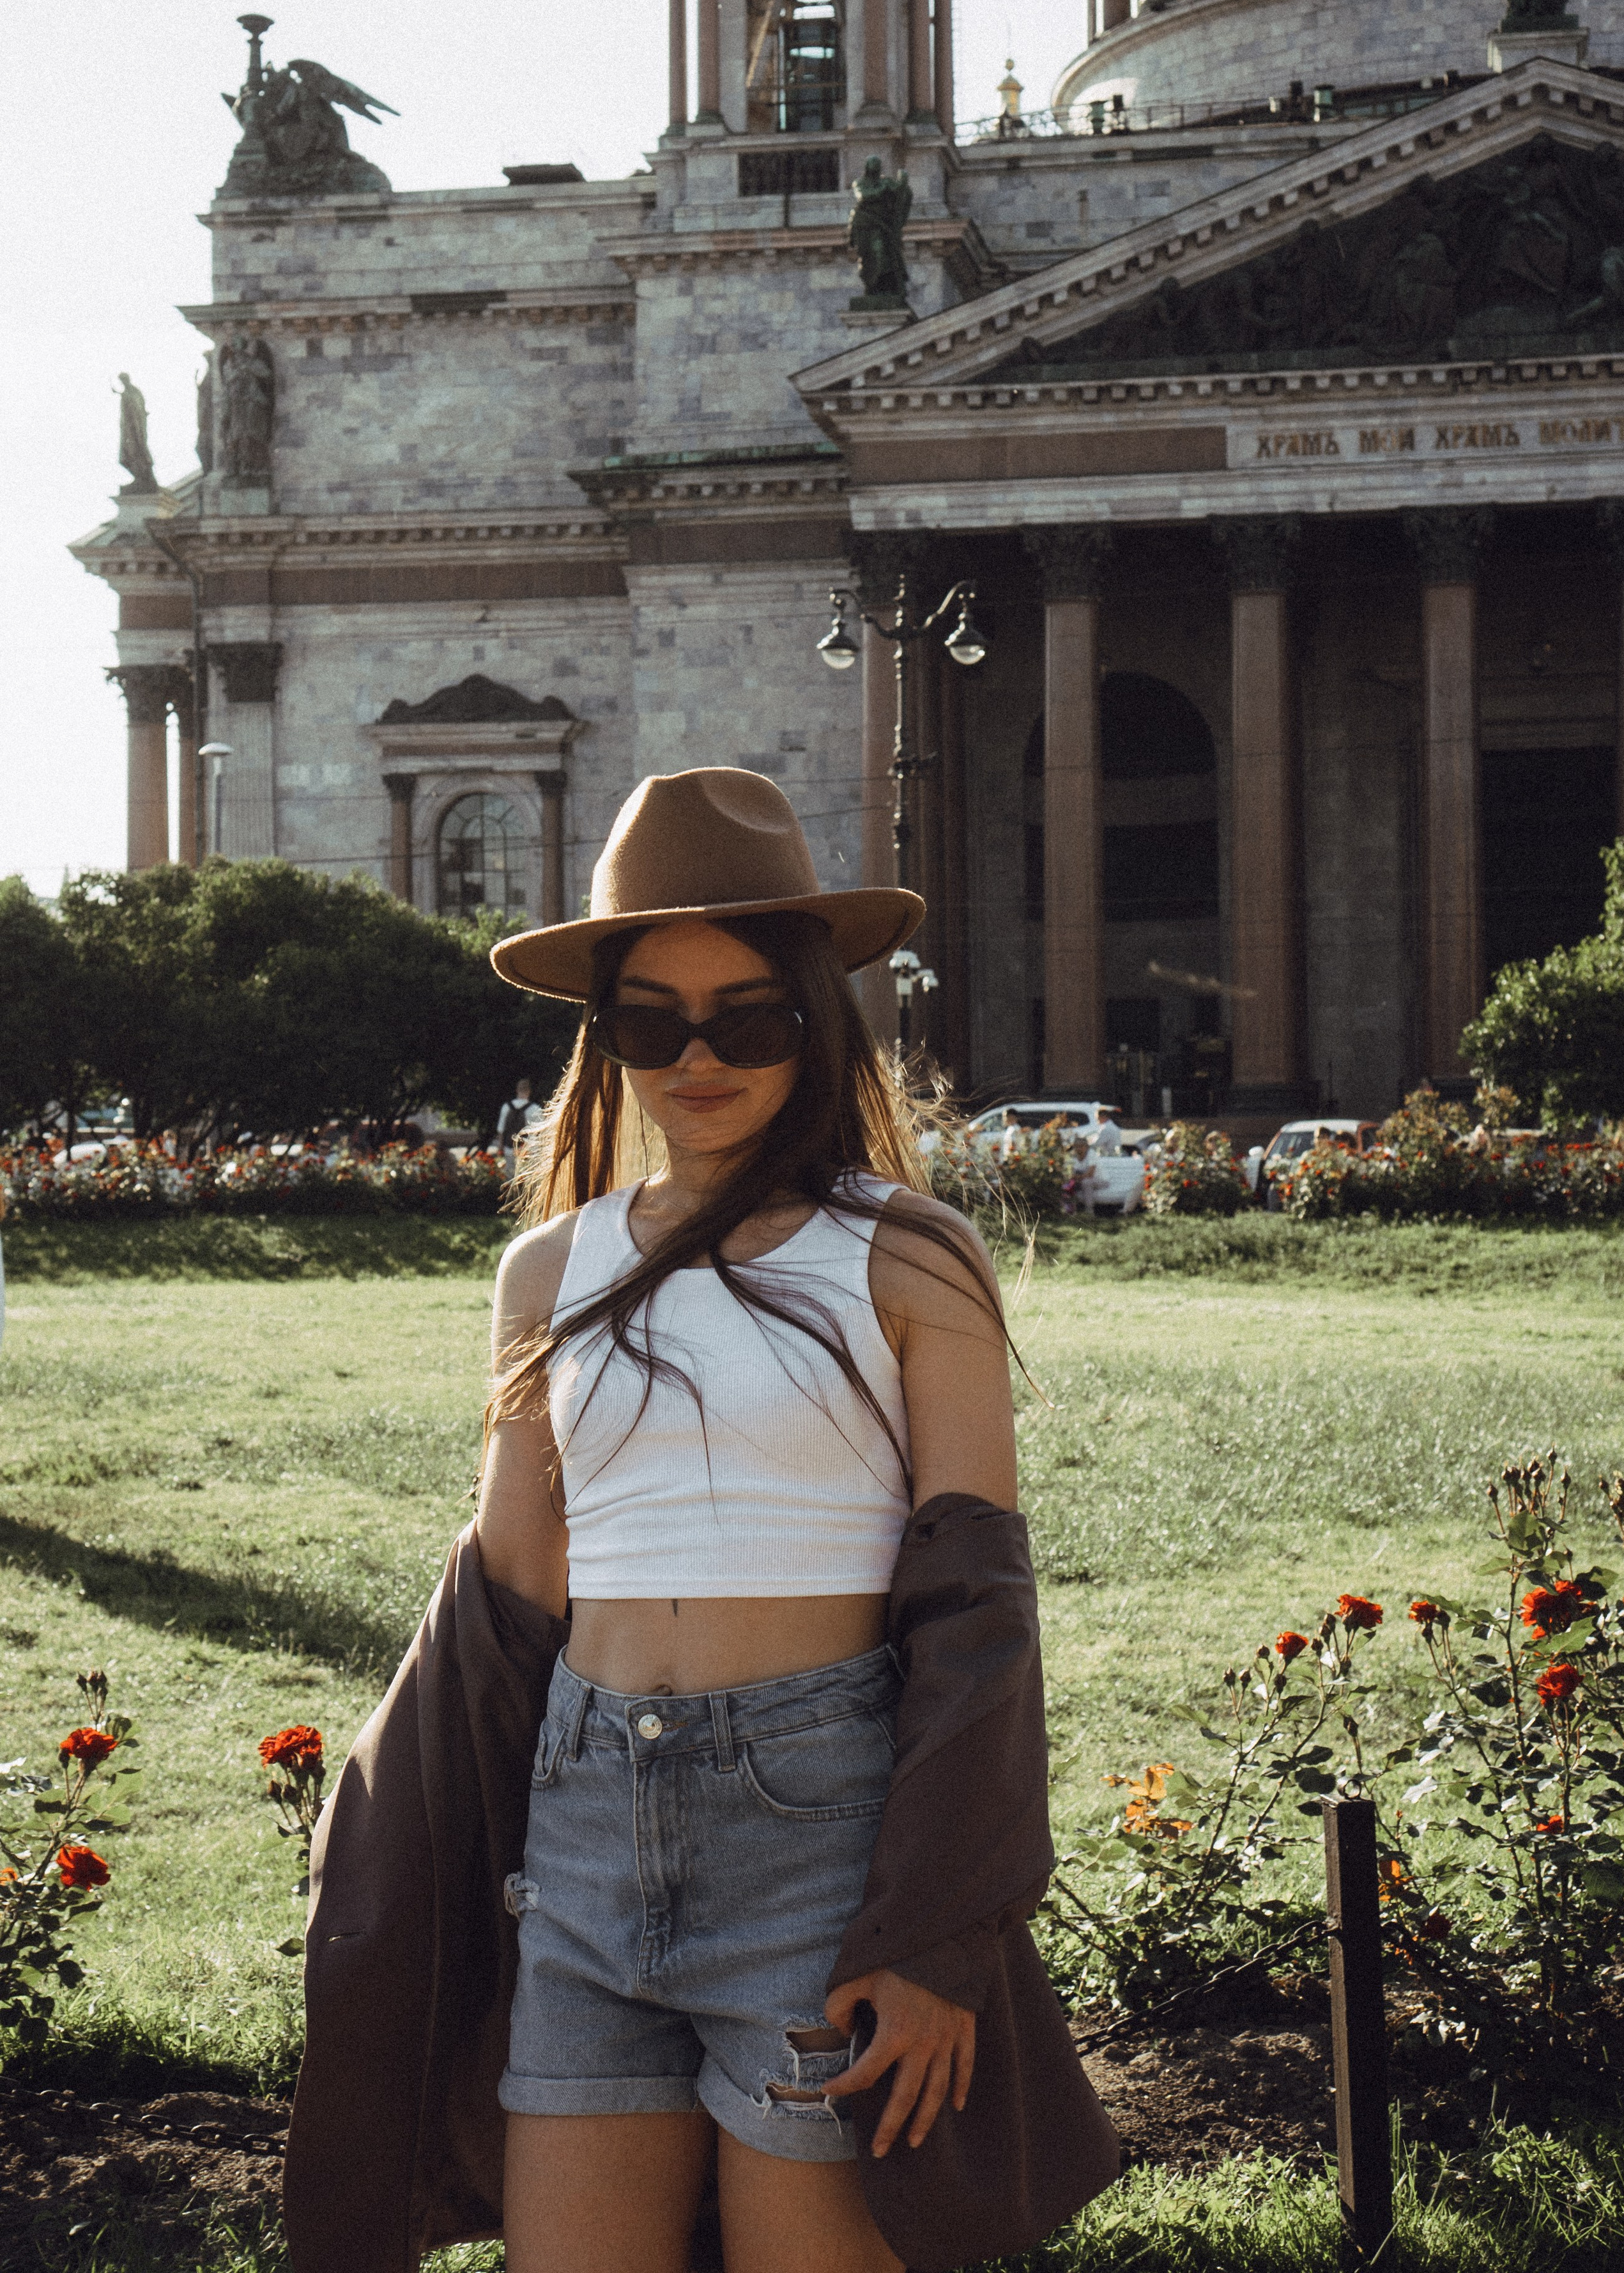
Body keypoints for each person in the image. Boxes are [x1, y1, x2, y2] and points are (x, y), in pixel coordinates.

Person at [456, 769, 1117, 2273]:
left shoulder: (906, 1253)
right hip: (580, 1827)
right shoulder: (543, 1269)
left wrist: (937, 1926)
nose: (696, 1056)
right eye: (650, 1020)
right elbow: (506, 1593)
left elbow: (976, 1603)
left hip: (820, 1835)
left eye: (745, 1017)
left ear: (813, 1020)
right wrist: (417, 1850)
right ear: (603, 1037)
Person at [493, 1076, 544, 1161]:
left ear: (517, 1090)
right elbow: (540, 1134)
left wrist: (500, 1150)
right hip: (528, 1153)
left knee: (509, 1175)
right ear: (529, 1091)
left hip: (508, 1150)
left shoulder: (506, 1107)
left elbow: (501, 1131)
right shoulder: (535, 1109)